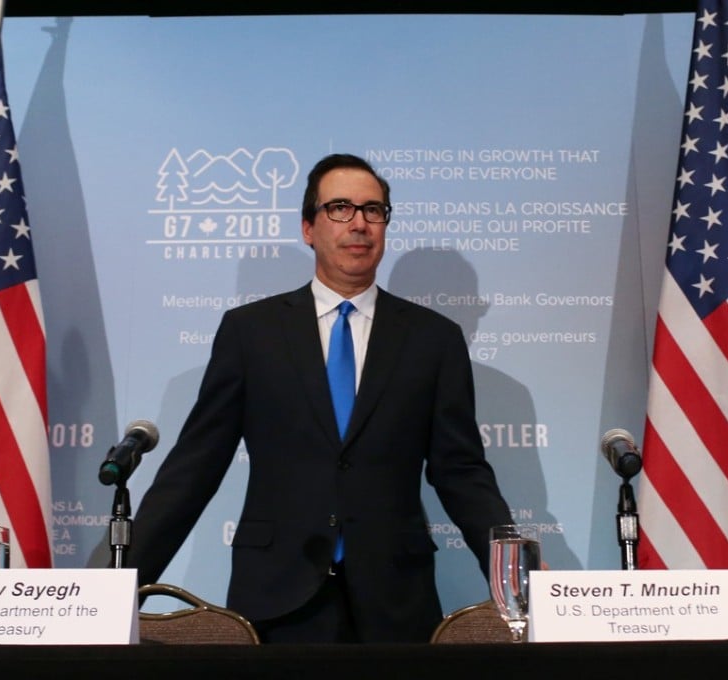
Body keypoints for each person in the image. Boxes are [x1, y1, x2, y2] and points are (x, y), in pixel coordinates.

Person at [125, 153, 513, 643]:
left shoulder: (433, 339)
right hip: (276, 596)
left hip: (395, 599)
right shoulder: (252, 333)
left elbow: (461, 472)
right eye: (341, 209)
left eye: (374, 211)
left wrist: (518, 584)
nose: (360, 224)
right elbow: (196, 466)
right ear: (309, 227)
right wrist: (114, 589)